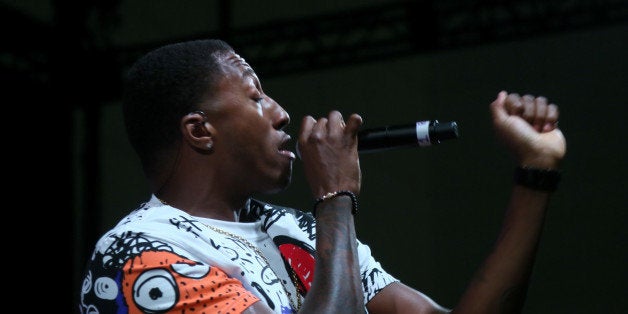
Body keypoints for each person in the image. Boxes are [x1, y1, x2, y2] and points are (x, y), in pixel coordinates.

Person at [77, 39, 566, 314]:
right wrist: (335, 196)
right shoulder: (141, 256)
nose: (282, 113)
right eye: (255, 97)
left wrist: (535, 172)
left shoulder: (297, 233)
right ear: (200, 131)